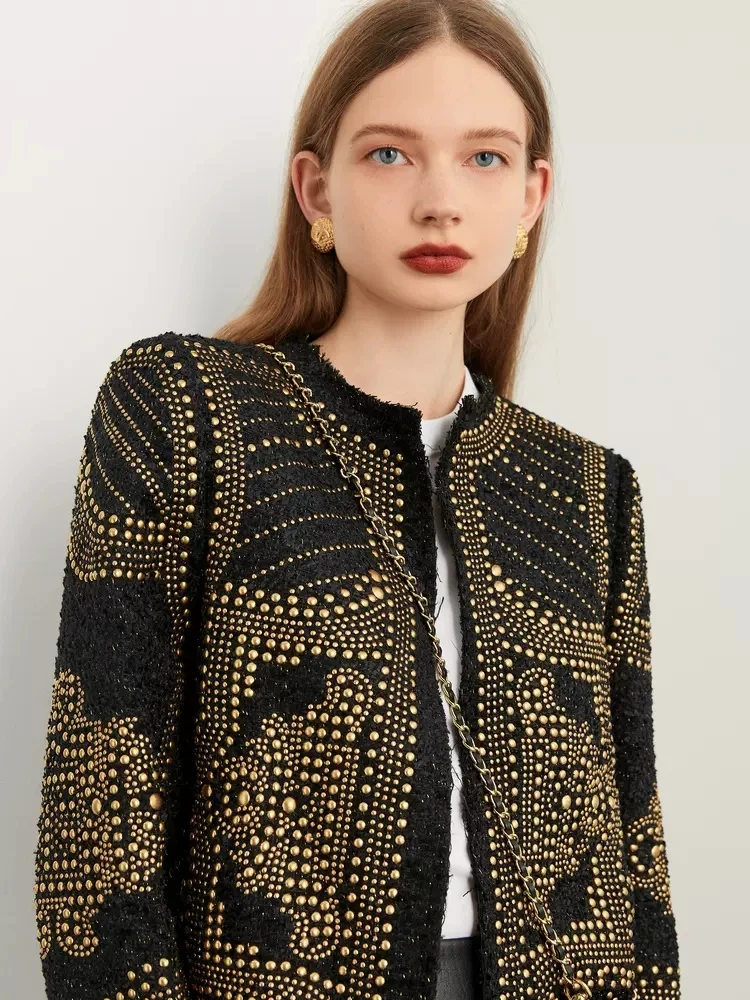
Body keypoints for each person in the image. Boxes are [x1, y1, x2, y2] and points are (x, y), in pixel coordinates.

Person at [32, 2, 681, 999]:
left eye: (485, 158)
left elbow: (634, 843)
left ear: (531, 197)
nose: (440, 202)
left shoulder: (590, 489)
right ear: (315, 187)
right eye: (389, 154)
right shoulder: (188, 410)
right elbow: (98, 817)